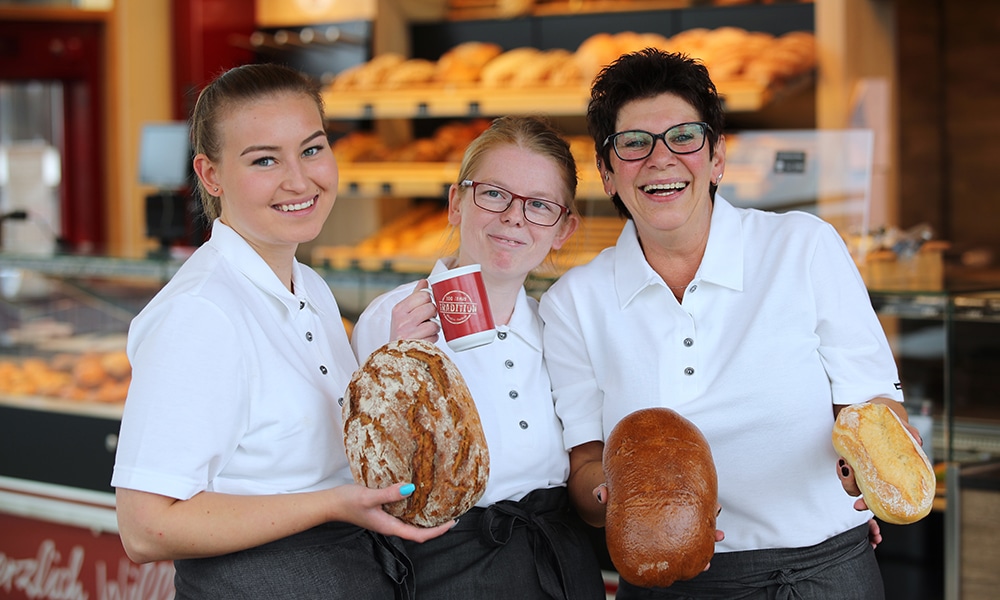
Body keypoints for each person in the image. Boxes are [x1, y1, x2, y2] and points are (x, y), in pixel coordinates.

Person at [538, 48, 918, 599]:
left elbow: (874, 408)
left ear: (717, 157)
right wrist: (616, 494)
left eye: (685, 137)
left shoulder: (803, 248)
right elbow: (585, 469)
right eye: (634, 143)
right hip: (668, 582)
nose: (660, 159)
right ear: (607, 173)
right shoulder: (573, 303)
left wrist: (870, 464)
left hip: (824, 574)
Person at [111, 63, 452, 599]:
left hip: (349, 572)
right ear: (210, 175)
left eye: (312, 149)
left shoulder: (308, 285)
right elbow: (145, 526)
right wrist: (335, 503)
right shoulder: (202, 312)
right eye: (265, 160)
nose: (299, 179)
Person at [351, 115, 606, 600]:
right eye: (493, 194)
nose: (514, 217)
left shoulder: (559, 327)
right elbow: (368, 468)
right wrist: (399, 366)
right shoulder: (394, 318)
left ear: (563, 230)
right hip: (445, 567)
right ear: (455, 203)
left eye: (540, 206)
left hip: (558, 560)